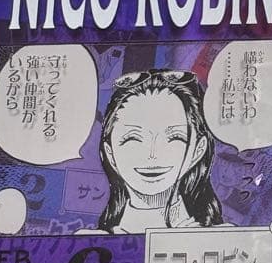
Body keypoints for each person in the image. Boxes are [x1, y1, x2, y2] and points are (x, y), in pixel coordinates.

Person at [95, 69, 223, 234]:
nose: (152, 155)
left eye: (175, 137)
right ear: (110, 153)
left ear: (198, 150)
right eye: (133, 138)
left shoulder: (222, 238)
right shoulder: (92, 242)